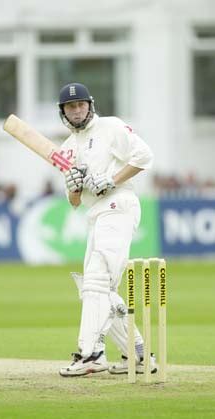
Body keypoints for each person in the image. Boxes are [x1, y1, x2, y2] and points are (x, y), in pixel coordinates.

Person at [58, 82, 156, 377]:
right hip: (96, 214)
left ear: (90, 105)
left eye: (81, 105)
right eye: (70, 107)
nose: (77, 111)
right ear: (63, 112)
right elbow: (74, 202)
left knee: (97, 282)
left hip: (119, 204)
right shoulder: (66, 149)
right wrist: (74, 187)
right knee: (98, 288)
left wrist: (112, 180)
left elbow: (144, 157)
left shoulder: (111, 127)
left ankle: (91, 354)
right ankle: (137, 355)